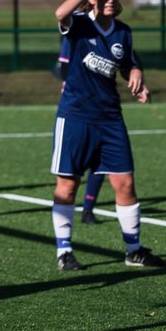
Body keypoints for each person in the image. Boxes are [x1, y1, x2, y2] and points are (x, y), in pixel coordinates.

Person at [50, 0, 161, 271]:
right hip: (75, 116)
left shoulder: (123, 32)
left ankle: (133, 250)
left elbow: (127, 64)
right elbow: (59, 14)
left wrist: (136, 73)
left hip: (110, 118)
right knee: (68, 186)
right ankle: (64, 251)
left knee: (125, 183)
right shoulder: (79, 23)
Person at [58, 36, 107, 224]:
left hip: (103, 107)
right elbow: (63, 67)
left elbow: (128, 59)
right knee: (72, 169)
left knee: (101, 161)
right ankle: (63, 244)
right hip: (76, 109)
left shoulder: (115, 32)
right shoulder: (76, 30)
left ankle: (88, 209)